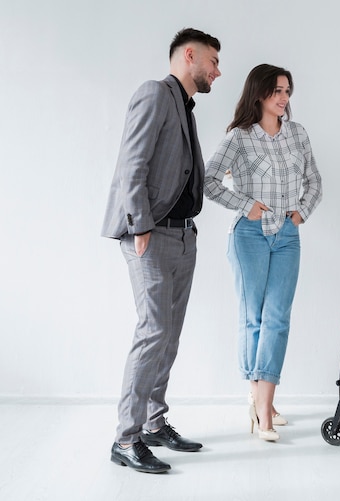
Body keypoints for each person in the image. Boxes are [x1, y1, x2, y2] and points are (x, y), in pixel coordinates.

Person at [101, 28, 222, 473]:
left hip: (183, 234)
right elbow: (132, 162)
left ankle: (153, 422)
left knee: (168, 335)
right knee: (153, 330)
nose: (217, 70)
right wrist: (139, 225)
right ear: (189, 55)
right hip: (150, 233)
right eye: (212, 60)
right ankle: (125, 439)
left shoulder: (183, 106)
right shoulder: (154, 93)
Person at [204, 64, 322, 442]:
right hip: (249, 236)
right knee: (253, 317)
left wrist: (301, 212)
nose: (284, 99)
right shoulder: (239, 138)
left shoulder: (298, 134)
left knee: (277, 319)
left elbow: (315, 181)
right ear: (259, 95)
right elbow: (207, 180)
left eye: (287, 91)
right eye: (277, 92)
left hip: (287, 235)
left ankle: (263, 402)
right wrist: (245, 205)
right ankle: (261, 407)